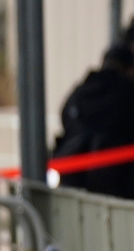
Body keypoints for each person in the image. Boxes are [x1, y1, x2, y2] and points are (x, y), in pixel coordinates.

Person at [54, 44, 134, 199]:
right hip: (119, 187)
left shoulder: (82, 90)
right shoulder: (128, 91)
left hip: (73, 183)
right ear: (129, 68)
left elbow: (65, 118)